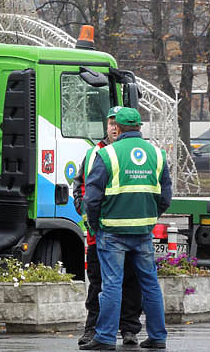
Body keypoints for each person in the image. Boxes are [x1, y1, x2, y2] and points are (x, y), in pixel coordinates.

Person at [80, 107, 172, 351]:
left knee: (111, 284)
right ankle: (157, 336)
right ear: (140, 127)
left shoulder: (108, 154)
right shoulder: (158, 154)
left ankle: (106, 337)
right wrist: (150, 218)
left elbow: (91, 197)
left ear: (117, 129)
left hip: (112, 232)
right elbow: (165, 197)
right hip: (143, 232)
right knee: (150, 284)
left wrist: (95, 223)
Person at [73, 106, 142, 346]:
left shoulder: (136, 152)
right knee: (98, 284)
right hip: (98, 234)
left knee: (131, 284)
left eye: (117, 123)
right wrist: (82, 207)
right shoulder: (94, 153)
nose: (114, 127)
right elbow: (80, 184)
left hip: (128, 231)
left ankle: (129, 329)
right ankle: (92, 328)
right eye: (110, 123)